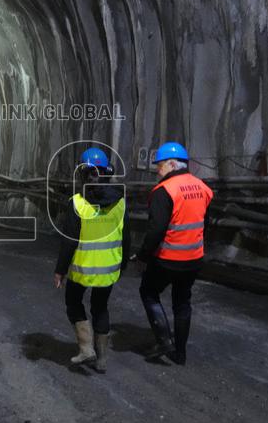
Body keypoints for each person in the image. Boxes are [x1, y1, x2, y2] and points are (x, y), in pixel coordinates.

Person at [131, 142, 213, 365]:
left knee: (148, 292)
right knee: (182, 302)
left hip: (168, 259)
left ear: (172, 164)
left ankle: (164, 341)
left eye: (160, 166)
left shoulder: (164, 190)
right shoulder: (202, 187)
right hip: (194, 259)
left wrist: (143, 256)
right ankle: (180, 354)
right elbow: (204, 223)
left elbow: (156, 230)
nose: (157, 171)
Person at [53, 147, 127, 373]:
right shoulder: (120, 202)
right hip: (109, 269)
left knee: (73, 302)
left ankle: (86, 349)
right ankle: (101, 359)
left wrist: (60, 270)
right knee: (101, 308)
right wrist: (122, 266)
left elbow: (69, 241)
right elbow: (127, 238)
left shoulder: (77, 203)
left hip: (82, 269)